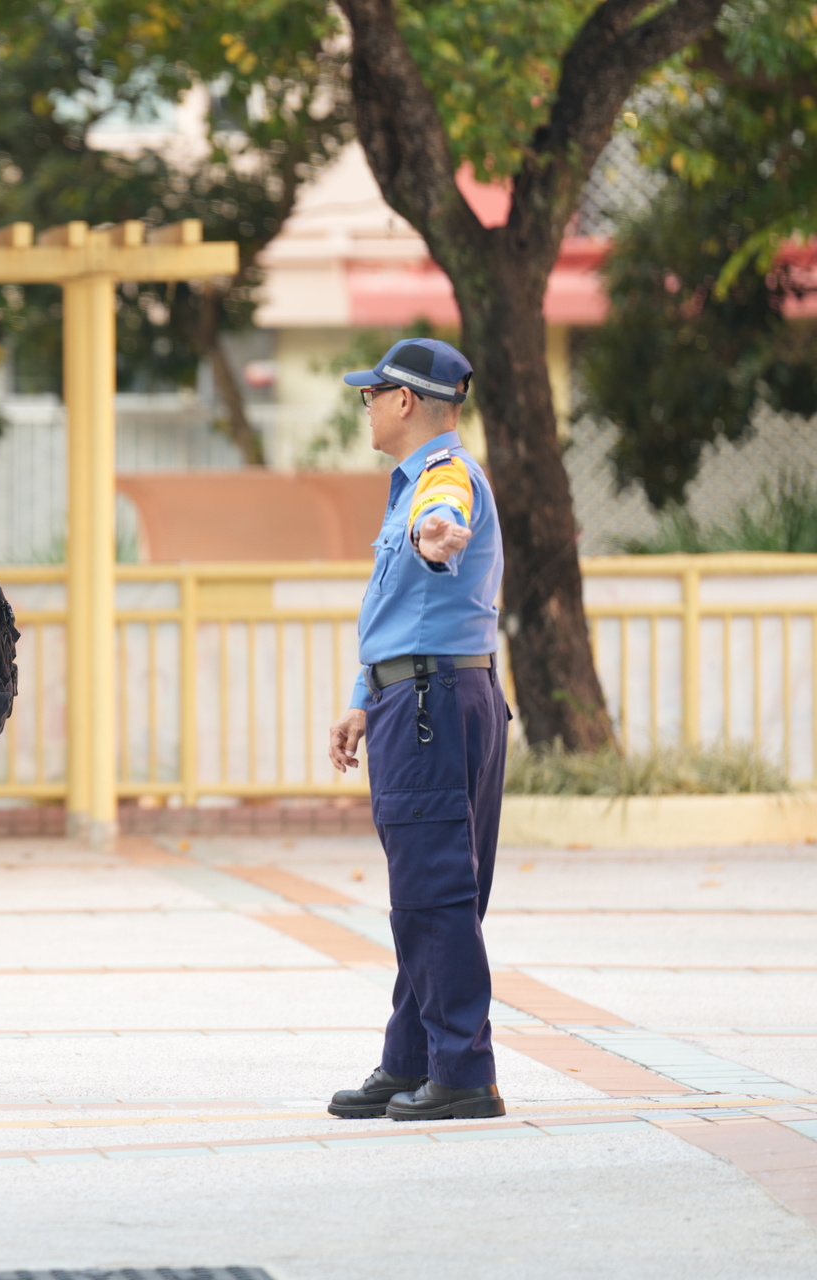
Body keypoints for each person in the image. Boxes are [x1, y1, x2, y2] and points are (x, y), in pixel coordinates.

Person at [324, 338, 509, 1123]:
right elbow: (406, 610)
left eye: (371, 393)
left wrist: (438, 534)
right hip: (423, 694)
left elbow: (444, 523)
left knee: (434, 893)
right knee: (425, 894)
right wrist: (365, 698)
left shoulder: (440, 479)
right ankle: (414, 1059)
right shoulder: (411, 485)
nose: (363, 404)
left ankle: (463, 1070)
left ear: (404, 401)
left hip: (434, 703)